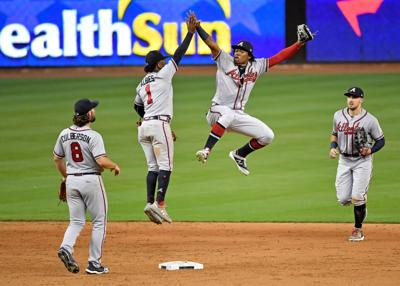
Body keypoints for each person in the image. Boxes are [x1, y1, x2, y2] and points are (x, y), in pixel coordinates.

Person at [194, 16, 314, 175]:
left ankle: (239, 154)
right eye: (235, 50)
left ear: (249, 55)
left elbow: (280, 57)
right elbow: (212, 44)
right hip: (217, 112)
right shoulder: (224, 60)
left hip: (237, 114)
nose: (236, 53)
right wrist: (197, 28)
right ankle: (207, 150)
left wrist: (299, 44)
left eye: (240, 51)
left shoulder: (257, 66)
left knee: (267, 136)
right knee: (228, 114)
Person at [133, 12, 197, 224]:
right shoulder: (164, 73)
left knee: (153, 167)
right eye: (162, 61)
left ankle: (150, 202)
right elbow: (178, 54)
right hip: (159, 124)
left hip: (145, 128)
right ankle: (160, 205)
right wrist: (190, 34)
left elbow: (136, 105)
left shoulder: (141, 83)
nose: (165, 62)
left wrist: (146, 119)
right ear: (159, 64)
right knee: (166, 166)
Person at [53, 99, 120, 274]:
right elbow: (101, 160)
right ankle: (94, 264)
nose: (94, 111)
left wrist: (65, 177)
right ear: (89, 115)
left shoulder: (63, 133)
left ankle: (66, 248)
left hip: (72, 181)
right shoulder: (94, 136)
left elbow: (57, 158)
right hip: (91, 181)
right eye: (93, 109)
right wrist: (114, 165)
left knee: (76, 221)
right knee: (99, 222)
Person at [329, 87, 385, 241]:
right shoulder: (338, 115)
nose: (351, 99)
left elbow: (381, 140)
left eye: (354, 97)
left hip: (362, 161)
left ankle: (358, 230)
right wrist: (333, 148)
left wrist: (371, 150)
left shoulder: (370, 120)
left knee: (357, 197)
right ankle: (361, 204)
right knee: (343, 198)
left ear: (361, 100)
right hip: (344, 160)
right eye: (349, 96)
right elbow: (334, 134)